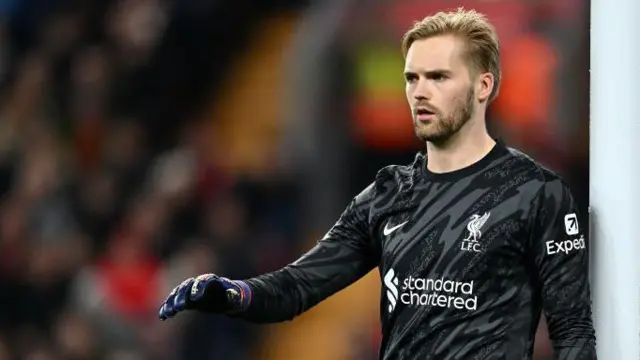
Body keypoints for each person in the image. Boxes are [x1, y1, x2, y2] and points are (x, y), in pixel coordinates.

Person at [158, 8, 596, 359]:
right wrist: (233, 292)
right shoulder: (387, 196)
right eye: (415, 78)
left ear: (484, 86)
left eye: (440, 77)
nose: (421, 93)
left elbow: (572, 322)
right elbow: (300, 285)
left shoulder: (541, 196)